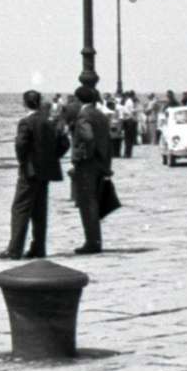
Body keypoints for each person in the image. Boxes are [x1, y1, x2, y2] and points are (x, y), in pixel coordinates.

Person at [0, 89, 64, 260]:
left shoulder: (26, 122)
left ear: (24, 103)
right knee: (40, 210)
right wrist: (51, 158)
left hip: (30, 171)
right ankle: (38, 248)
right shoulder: (49, 122)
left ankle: (14, 249)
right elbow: (64, 142)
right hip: (46, 171)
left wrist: (23, 161)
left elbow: (20, 145)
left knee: (20, 209)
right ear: (39, 103)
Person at [67, 85, 113, 254]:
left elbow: (88, 136)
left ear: (78, 99)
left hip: (87, 164)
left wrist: (80, 155)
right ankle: (95, 240)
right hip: (100, 162)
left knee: (87, 203)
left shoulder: (83, 115)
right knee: (93, 201)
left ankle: (92, 241)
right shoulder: (100, 114)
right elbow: (107, 140)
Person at [118, 92, 139, 159]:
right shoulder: (130, 102)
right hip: (130, 121)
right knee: (129, 138)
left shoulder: (128, 102)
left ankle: (127, 153)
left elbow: (127, 112)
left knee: (128, 138)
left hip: (128, 121)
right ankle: (128, 153)